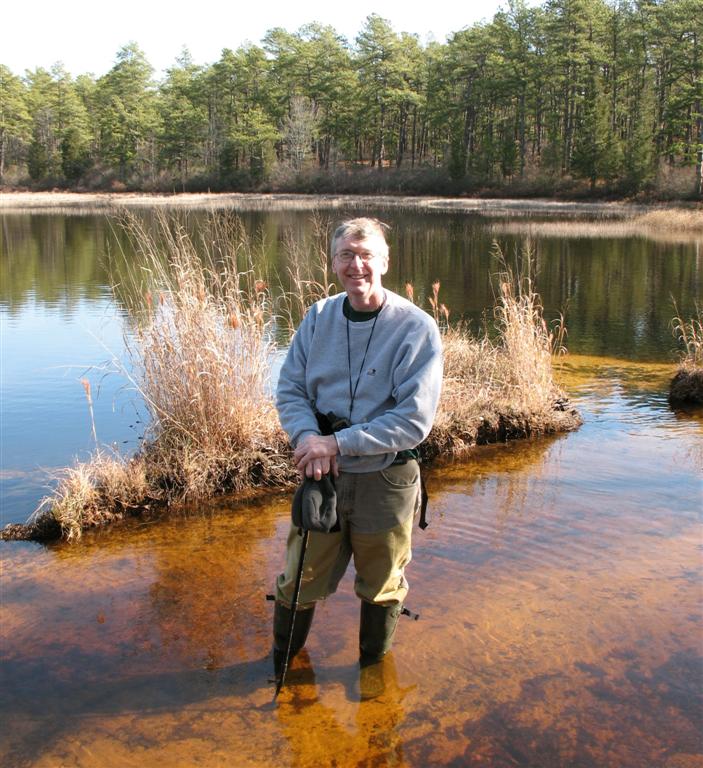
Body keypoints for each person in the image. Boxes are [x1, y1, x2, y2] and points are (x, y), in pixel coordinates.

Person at [273, 217, 443, 677]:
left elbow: (413, 422)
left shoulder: (416, 328)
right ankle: (282, 672)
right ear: (333, 262)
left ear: (385, 261)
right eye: (346, 254)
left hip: (386, 480)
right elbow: (290, 390)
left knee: (382, 585)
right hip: (321, 477)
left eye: (367, 254)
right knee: (297, 579)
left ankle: (372, 679)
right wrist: (308, 439)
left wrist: (335, 442)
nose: (357, 265)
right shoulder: (318, 318)